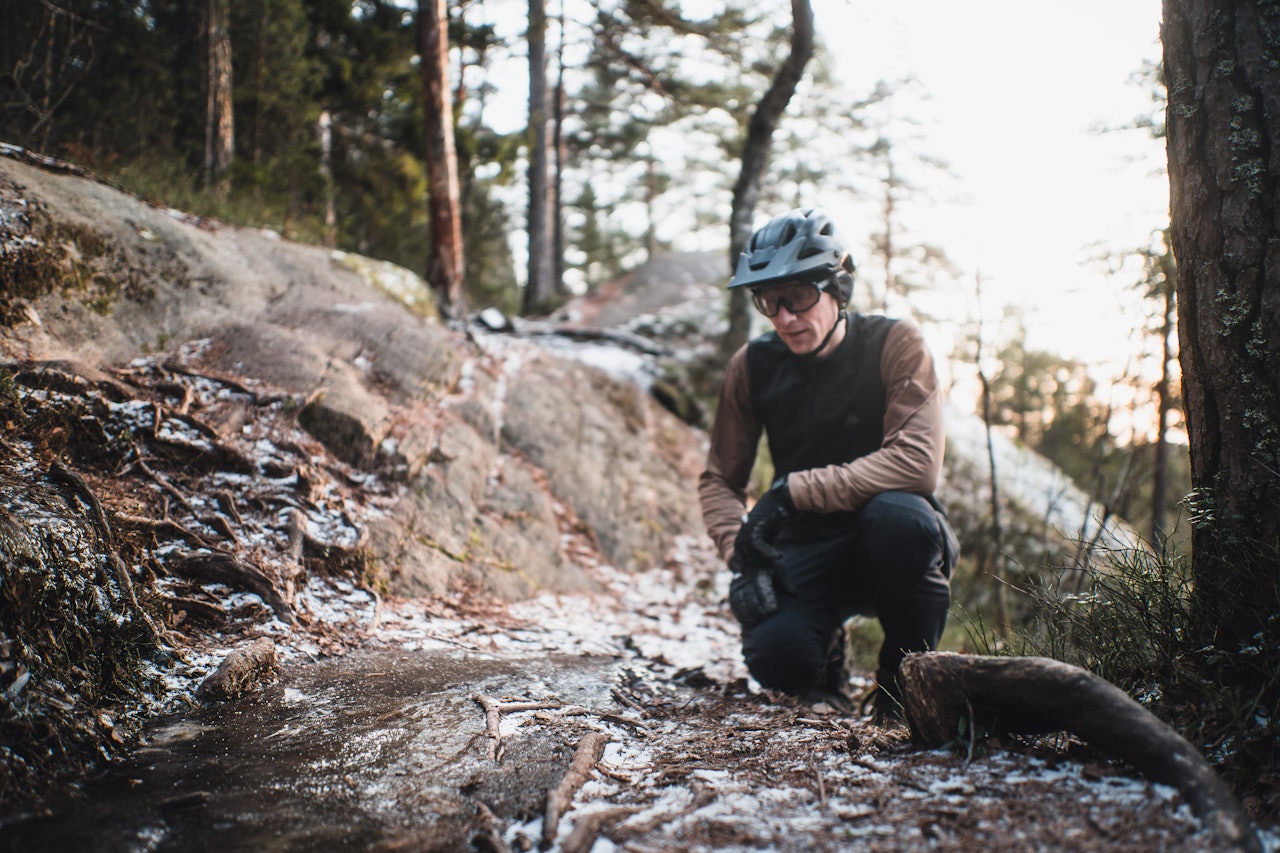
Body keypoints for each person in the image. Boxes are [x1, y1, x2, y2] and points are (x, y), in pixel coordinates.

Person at [698, 206, 958, 720]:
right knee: (778, 658)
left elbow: (917, 463)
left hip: (894, 539)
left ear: (839, 287)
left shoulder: (895, 344)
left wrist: (793, 491)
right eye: (768, 302)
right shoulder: (751, 367)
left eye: (796, 297)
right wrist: (741, 555)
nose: (784, 317)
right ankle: (826, 671)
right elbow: (719, 481)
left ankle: (900, 690)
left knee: (900, 520)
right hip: (808, 546)